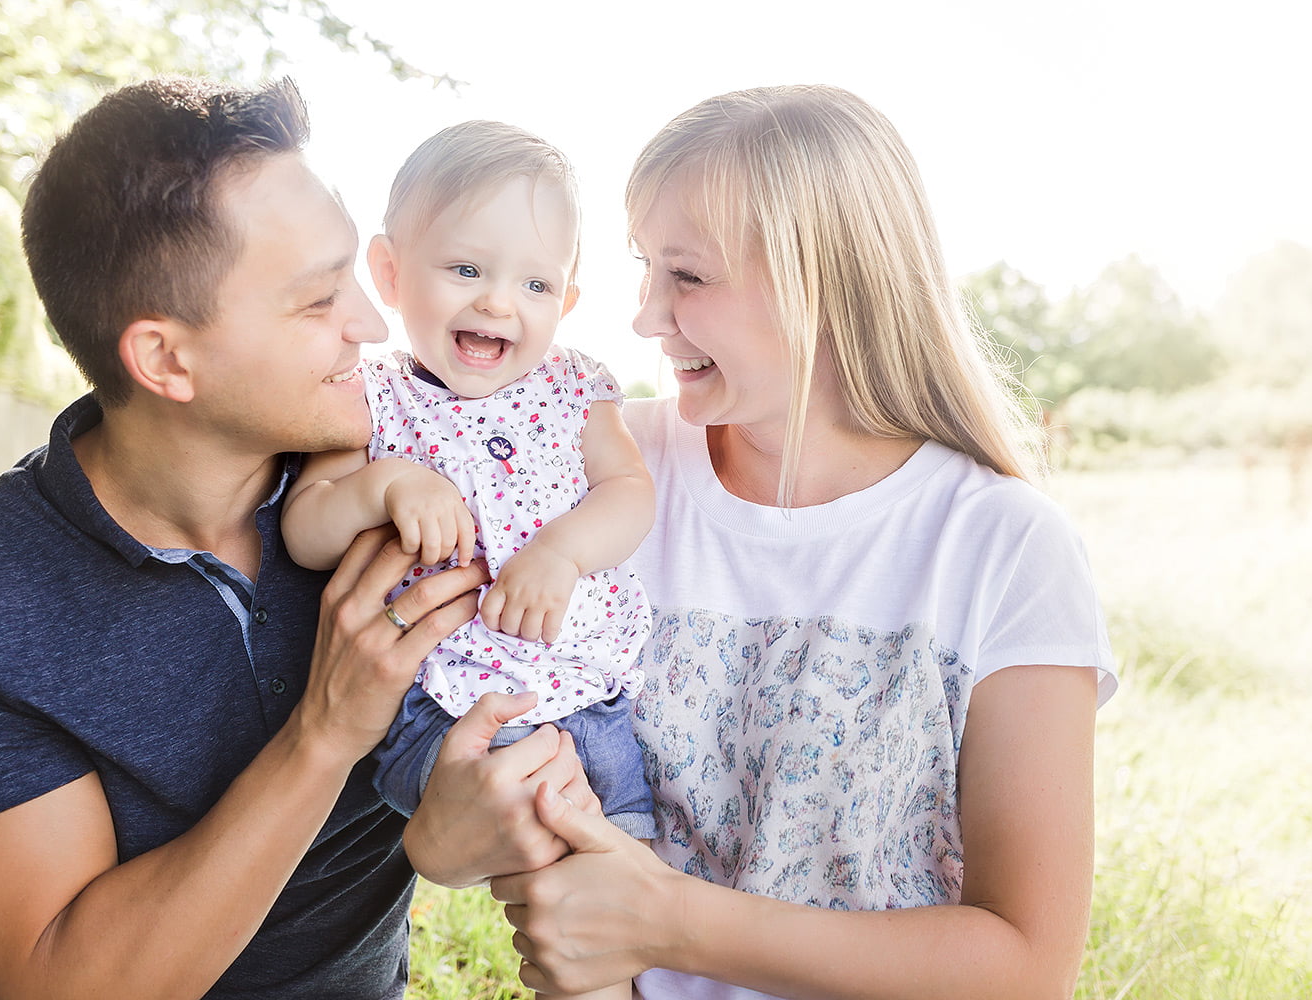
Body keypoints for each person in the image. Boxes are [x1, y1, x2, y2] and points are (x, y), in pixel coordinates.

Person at [0, 76, 590, 1000]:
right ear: (165, 359)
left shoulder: (415, 465)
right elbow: (62, 984)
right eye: (318, 302)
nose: (369, 321)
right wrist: (325, 731)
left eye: (354, 276)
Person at [479, 85, 1119, 1000]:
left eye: (687, 276)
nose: (646, 317)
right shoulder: (607, 466)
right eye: (645, 269)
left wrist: (668, 921)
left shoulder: (1003, 546)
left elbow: (1026, 967)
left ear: (821, 281)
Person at [282, 121, 657, 843]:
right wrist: (385, 484)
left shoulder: (575, 388)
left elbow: (629, 490)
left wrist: (562, 552)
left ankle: (618, 944)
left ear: (565, 302)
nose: (498, 303)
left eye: (536, 282)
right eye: (466, 270)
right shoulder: (373, 399)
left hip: (590, 690)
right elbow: (305, 530)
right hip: (441, 701)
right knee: (544, 831)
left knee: (632, 850)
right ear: (390, 274)